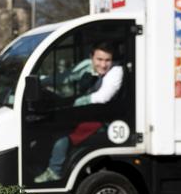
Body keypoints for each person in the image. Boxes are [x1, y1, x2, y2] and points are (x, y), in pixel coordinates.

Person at [33, 41, 123, 183]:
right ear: (91, 57)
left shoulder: (116, 71)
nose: (103, 64)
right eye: (99, 59)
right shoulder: (89, 66)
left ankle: (54, 172)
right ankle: (40, 164)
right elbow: (66, 77)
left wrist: (76, 102)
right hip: (90, 113)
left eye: (107, 60)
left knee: (62, 135)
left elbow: (103, 97)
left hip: (104, 120)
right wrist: (42, 82)